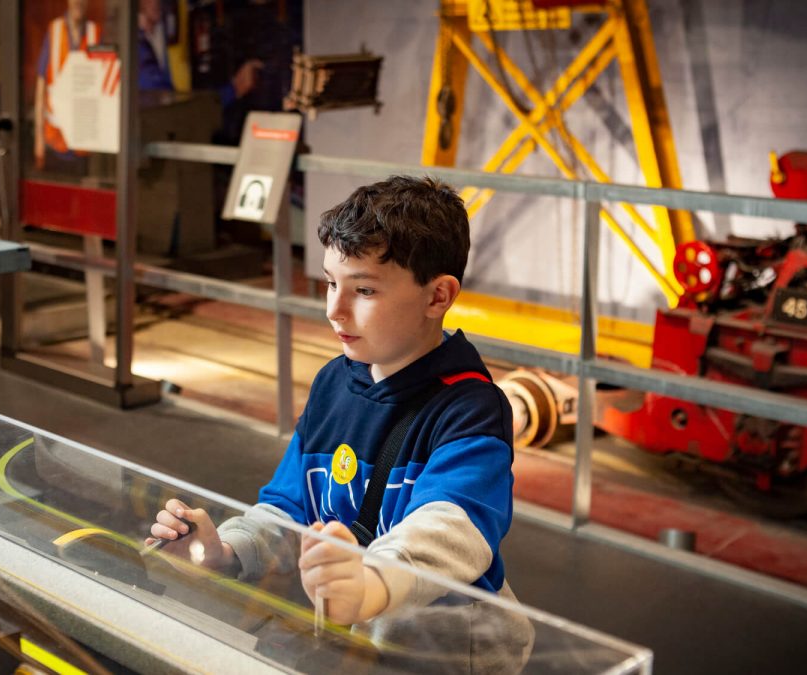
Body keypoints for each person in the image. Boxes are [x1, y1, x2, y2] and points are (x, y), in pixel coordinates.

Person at [147, 176, 518, 628]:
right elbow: (289, 509)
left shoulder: (471, 410)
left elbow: (450, 532)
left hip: (445, 654)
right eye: (330, 284)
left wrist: (372, 586)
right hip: (351, 645)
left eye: (363, 290)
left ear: (438, 296)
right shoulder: (332, 384)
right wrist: (224, 552)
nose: (334, 310)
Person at [33, 0, 101, 170]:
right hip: (55, 140)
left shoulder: (94, 33)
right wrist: (38, 139)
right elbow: (41, 86)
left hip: (84, 141)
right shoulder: (55, 30)